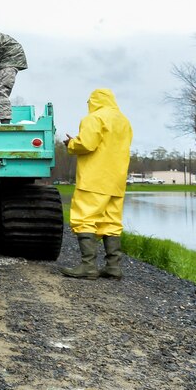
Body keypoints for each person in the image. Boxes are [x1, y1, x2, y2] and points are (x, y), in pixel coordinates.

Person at [60, 89, 133, 280]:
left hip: (95, 179)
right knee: (111, 222)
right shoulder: (124, 121)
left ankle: (88, 267)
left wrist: (71, 144)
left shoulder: (94, 118)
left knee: (84, 218)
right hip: (116, 181)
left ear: (94, 101)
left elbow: (87, 144)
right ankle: (113, 267)